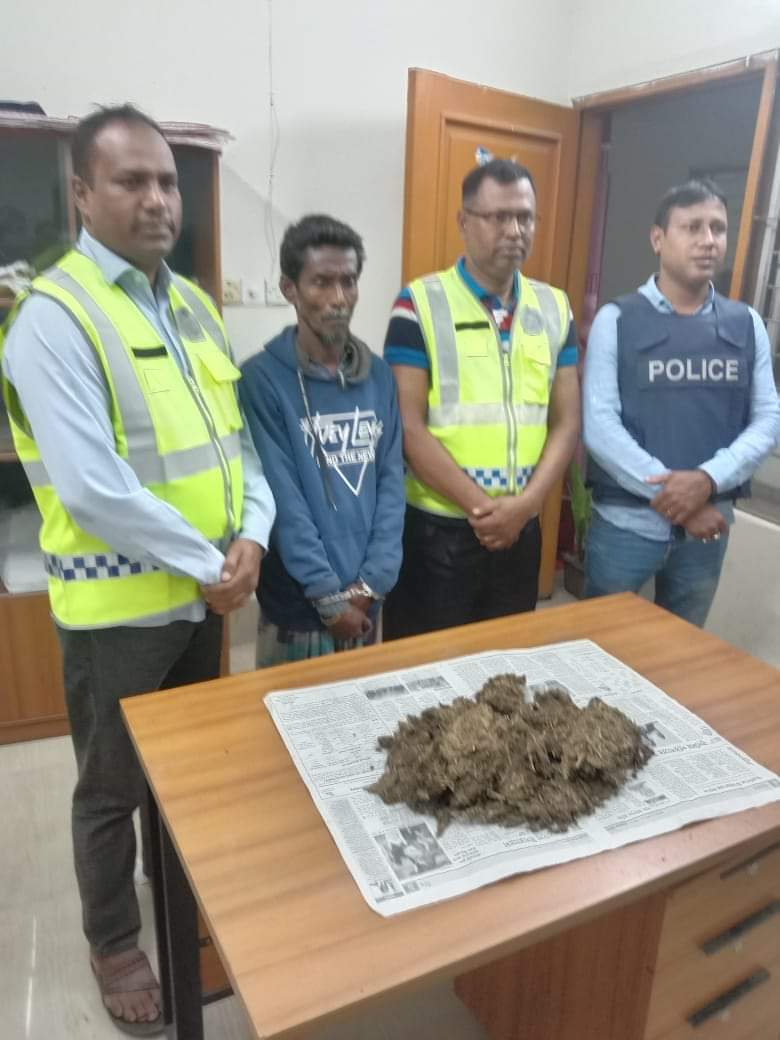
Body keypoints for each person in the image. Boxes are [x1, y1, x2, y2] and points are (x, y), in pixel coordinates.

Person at [0, 105, 275, 1035]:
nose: (158, 199)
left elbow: (237, 447)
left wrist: (255, 535)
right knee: (111, 789)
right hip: (119, 616)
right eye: (131, 181)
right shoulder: (53, 318)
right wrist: (212, 563)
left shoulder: (191, 304)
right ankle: (116, 942)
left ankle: (186, 903)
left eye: (166, 181)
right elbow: (92, 488)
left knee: (189, 773)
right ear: (82, 193)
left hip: (205, 599)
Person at [382, 159, 581, 638]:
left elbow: (567, 422)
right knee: (425, 664)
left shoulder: (554, 307)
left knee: (504, 663)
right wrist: (484, 510)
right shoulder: (419, 303)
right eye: (498, 217)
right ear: (464, 222)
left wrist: (524, 507)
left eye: (525, 217)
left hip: (521, 530)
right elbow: (407, 426)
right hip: (439, 531)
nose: (514, 231)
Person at [583, 179, 780, 626]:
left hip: (708, 528)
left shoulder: (746, 323)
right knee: (599, 644)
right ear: (658, 238)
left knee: (683, 647)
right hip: (626, 527)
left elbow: (768, 419)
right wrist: (681, 500)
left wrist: (708, 479)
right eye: (692, 227)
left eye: (718, 228)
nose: (708, 240)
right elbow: (600, 425)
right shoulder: (617, 319)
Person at [239, 214, 404, 664]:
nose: (339, 298)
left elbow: (391, 482)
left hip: (368, 598)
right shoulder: (260, 380)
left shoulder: (379, 376)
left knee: (363, 705)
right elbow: (283, 499)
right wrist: (330, 599)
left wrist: (373, 582)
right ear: (289, 289)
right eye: (321, 282)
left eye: (348, 281)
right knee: (291, 709)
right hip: (298, 607)